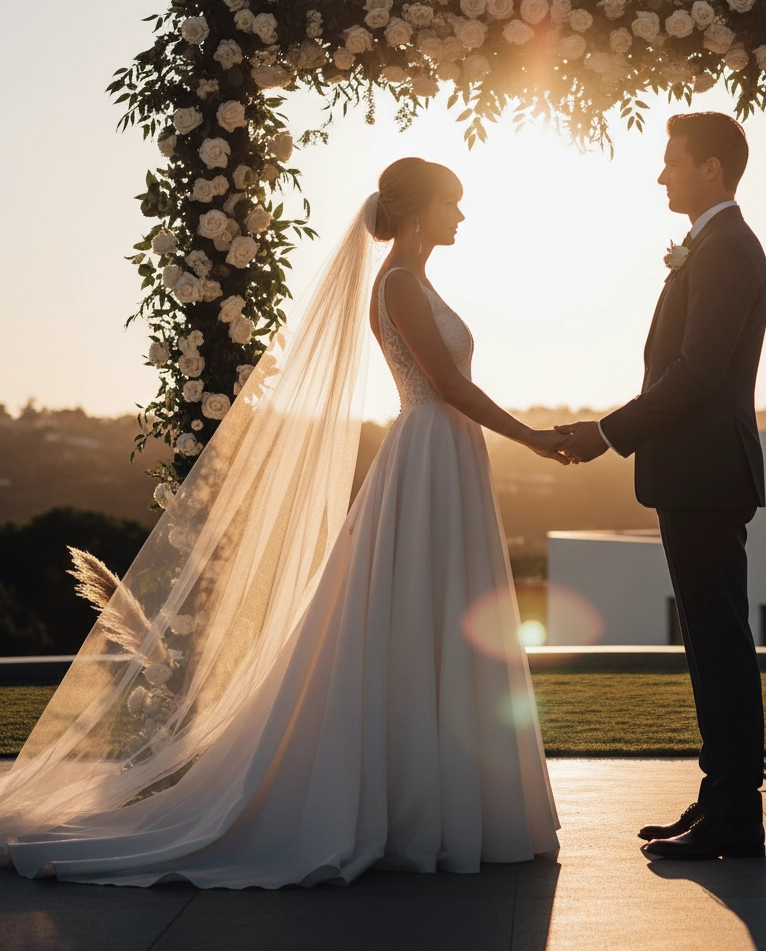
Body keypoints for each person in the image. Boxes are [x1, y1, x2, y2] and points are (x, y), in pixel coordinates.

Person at [0, 157, 562, 887]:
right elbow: (449, 385)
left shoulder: (416, 280)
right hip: (427, 451)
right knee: (418, 612)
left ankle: (453, 809)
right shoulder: (398, 284)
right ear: (420, 212)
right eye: (454, 205)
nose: (463, 217)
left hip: (444, 455)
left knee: (443, 615)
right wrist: (539, 440)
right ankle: (421, 812)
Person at [556, 112, 766, 860]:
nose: (661, 175)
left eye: (672, 162)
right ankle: (721, 801)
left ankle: (736, 817)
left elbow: (698, 374)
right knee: (710, 647)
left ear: (712, 168)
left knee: (720, 646)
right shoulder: (713, 246)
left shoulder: (726, 250)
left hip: (707, 474)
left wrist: (608, 432)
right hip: (697, 475)